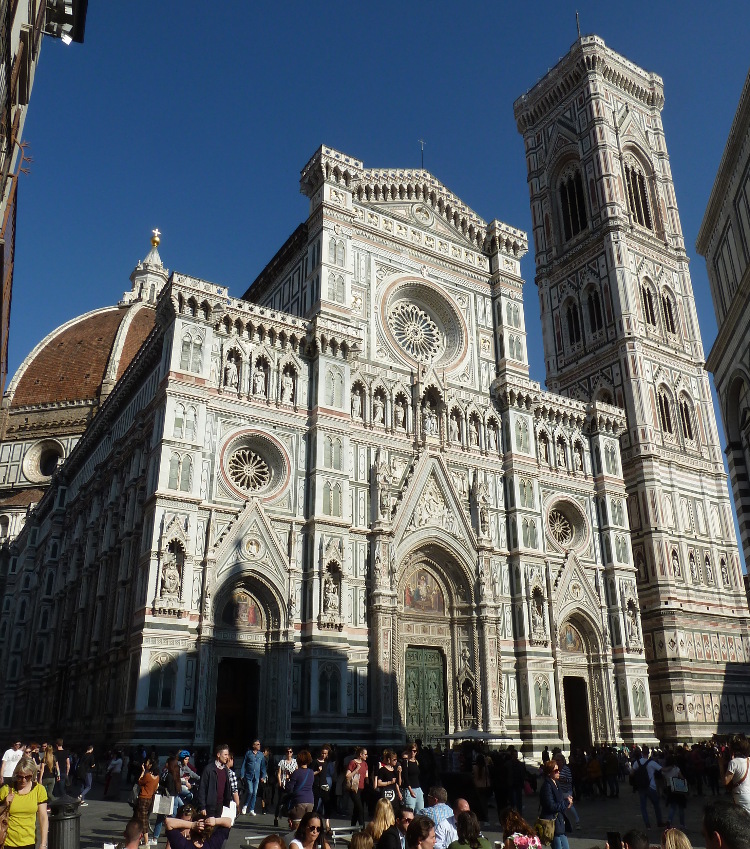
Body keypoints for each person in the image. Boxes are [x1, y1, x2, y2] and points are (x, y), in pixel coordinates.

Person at [0, 756, 48, 849]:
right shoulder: (7, 789)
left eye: (28, 777)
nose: (23, 780)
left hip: (29, 841)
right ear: (16, 774)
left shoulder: (39, 790)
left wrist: (43, 843)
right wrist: (4, 804)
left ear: (33, 774)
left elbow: (43, 817)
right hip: (7, 842)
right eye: (20, 777)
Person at [538, 760, 572, 849]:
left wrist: (566, 802)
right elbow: (551, 806)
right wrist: (566, 802)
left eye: (558, 769)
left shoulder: (556, 783)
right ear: (549, 773)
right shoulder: (547, 786)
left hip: (559, 822)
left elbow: (558, 802)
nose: (559, 772)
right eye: (556, 771)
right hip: (552, 823)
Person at [165, 808, 233, 849]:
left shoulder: (183, 845)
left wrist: (192, 825)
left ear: (191, 831)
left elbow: (169, 822)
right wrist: (215, 821)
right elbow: (228, 822)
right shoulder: (212, 844)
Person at [196, 744, 232, 818]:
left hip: (221, 805)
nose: (227, 757)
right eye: (225, 754)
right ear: (218, 755)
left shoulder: (225, 770)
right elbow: (202, 788)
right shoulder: (209, 769)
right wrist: (202, 806)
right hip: (210, 805)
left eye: (227, 755)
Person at [634, 745, 664, 829]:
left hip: (641, 787)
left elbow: (632, 773)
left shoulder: (637, 762)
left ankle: (647, 824)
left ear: (641, 753)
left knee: (643, 807)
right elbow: (662, 770)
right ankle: (659, 822)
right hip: (651, 787)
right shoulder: (652, 763)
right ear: (649, 753)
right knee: (656, 805)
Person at [154, 756, 183, 840]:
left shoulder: (169, 775)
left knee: (160, 818)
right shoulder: (175, 774)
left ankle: (155, 837)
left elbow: (168, 789)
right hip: (174, 798)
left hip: (167, 799)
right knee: (172, 819)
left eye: (167, 762)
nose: (165, 764)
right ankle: (172, 837)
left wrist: (159, 787)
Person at [720, 734, 750, 815]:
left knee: (744, 822)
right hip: (748, 792)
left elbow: (725, 781)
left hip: (741, 796)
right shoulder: (748, 760)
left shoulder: (733, 763)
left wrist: (721, 765)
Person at [240, 740, 267, 816]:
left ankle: (252, 809)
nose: (259, 745)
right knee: (250, 791)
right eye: (257, 744)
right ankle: (245, 805)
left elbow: (263, 766)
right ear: (253, 745)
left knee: (255, 792)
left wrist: (263, 775)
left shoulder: (261, 755)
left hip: (257, 776)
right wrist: (242, 774)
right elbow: (244, 764)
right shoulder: (248, 753)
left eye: (259, 744)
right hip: (249, 775)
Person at [286, 751, 315, 821]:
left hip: (299, 800)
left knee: (297, 824)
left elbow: (289, 787)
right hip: (310, 801)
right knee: (307, 824)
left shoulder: (296, 772)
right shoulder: (311, 772)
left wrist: (288, 778)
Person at [137, 758, 160, 845]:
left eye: (147, 763)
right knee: (142, 818)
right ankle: (139, 838)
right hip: (150, 799)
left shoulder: (147, 776)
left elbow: (140, 781)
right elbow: (155, 788)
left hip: (143, 798)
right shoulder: (157, 777)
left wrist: (142, 771)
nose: (146, 764)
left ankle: (146, 841)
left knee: (143, 820)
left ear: (150, 765)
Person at [661, 756, 688, 829]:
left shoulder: (664, 771)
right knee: (681, 807)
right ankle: (682, 824)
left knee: (672, 807)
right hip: (677, 787)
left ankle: (669, 821)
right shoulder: (676, 769)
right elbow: (681, 777)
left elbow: (664, 780)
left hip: (670, 788)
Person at [346, 748, 369, 828]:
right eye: (365, 754)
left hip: (362, 789)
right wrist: (356, 770)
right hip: (354, 788)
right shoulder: (353, 762)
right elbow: (347, 775)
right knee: (360, 808)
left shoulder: (365, 764)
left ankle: (352, 828)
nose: (366, 756)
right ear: (360, 754)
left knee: (356, 809)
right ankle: (363, 828)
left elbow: (366, 776)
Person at [276, 747, 298, 827]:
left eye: (290, 752)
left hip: (292, 784)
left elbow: (297, 772)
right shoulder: (282, 762)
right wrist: (280, 782)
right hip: (283, 784)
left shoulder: (295, 762)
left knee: (291, 803)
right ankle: (276, 817)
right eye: (287, 752)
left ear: (292, 753)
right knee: (280, 802)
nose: (289, 753)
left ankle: (290, 819)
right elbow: (279, 773)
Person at [402, 746, 423, 813]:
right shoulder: (406, 762)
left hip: (418, 788)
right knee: (410, 812)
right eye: (411, 750)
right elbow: (405, 777)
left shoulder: (416, 762)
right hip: (409, 789)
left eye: (414, 751)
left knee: (420, 811)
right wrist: (410, 790)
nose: (412, 752)